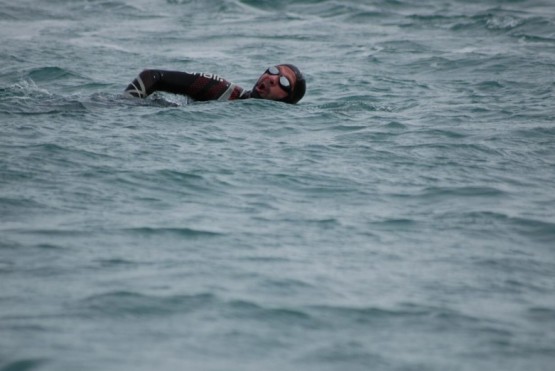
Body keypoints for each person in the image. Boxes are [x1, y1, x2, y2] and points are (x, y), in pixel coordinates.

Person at [124, 64, 306, 104]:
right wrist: (125, 105)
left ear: (287, 100)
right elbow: (153, 76)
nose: (272, 78)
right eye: (273, 71)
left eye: (283, 82)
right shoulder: (222, 91)